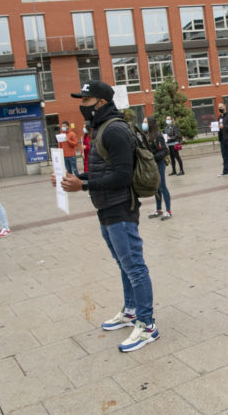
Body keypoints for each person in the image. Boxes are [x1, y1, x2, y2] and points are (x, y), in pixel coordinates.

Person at [54, 80, 159, 352]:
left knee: (134, 267)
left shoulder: (114, 130)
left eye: (86, 101)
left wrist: (84, 185)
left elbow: (122, 176)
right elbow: (103, 171)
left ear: (101, 103)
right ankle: (131, 311)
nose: (82, 106)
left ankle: (147, 326)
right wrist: (75, 178)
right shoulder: (100, 128)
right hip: (106, 207)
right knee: (124, 265)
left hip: (121, 207)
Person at [144, 116, 172, 220]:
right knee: (156, 187)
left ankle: (168, 211)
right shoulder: (147, 136)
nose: (144, 124)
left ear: (150, 124)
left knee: (162, 186)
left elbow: (165, 151)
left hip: (159, 163)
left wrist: (153, 158)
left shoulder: (158, 136)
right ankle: (158, 209)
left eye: (145, 122)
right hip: (152, 165)